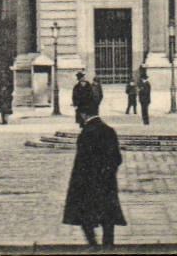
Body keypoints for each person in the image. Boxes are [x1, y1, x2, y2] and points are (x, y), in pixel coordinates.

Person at [63, 103, 125, 248]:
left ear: (84, 114)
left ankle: (93, 244)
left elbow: (82, 161)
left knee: (83, 213)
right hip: (107, 181)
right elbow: (117, 158)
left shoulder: (86, 133)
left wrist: (79, 181)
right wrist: (107, 173)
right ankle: (108, 245)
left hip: (87, 181)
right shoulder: (109, 131)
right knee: (108, 213)